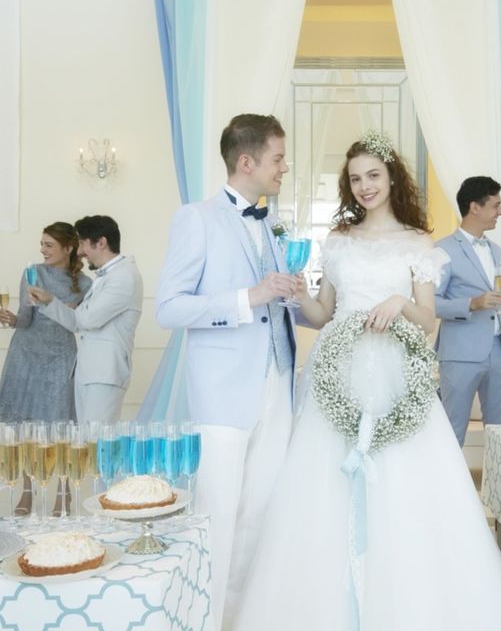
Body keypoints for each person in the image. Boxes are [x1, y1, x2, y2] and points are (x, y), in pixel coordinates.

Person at [231, 133, 501, 631]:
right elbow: (324, 314)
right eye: (355, 179)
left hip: (397, 376)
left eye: (373, 175)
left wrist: (400, 303)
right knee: (325, 484)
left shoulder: (418, 243)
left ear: (392, 178)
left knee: (405, 484)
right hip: (336, 374)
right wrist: (301, 294)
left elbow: (427, 321)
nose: (364, 186)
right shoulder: (338, 240)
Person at [155, 113, 300, 630]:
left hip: (278, 385)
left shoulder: (275, 225)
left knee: (260, 516)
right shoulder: (196, 218)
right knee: (218, 517)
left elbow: (280, 306)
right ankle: (204, 620)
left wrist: (297, 293)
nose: (284, 167)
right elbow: (169, 308)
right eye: (278, 158)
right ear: (247, 161)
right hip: (222, 393)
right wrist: (248, 297)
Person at [433, 175, 501, 445]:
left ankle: (498, 477)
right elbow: (430, 303)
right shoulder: (441, 250)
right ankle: (448, 477)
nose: (500, 212)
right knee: (451, 432)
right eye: (496, 205)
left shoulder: (497, 251)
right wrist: (472, 303)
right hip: (461, 353)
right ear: (474, 207)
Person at [35, 215, 143, 424]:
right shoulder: (108, 276)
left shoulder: (123, 277)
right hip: (91, 372)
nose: (80, 252)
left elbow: (86, 320)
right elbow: (79, 321)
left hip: (105, 372)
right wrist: (48, 301)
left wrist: (76, 310)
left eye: (82, 243)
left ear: (101, 242)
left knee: (97, 438)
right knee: (87, 438)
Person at [0, 222, 81, 425]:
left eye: (49, 245)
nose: (42, 250)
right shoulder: (33, 273)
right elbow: (25, 319)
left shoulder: (85, 284)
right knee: (24, 426)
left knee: (58, 423)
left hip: (62, 358)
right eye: (42, 244)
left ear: (68, 248)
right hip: (26, 354)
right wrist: (12, 319)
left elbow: (81, 323)